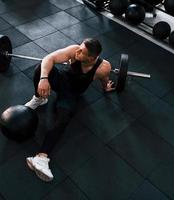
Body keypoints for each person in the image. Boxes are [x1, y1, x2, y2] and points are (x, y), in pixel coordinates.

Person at [25, 38, 115, 182]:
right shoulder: (74, 51)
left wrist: (106, 87)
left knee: (62, 120)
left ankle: (41, 158)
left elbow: (104, 78)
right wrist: (43, 78)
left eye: (81, 52)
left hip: (71, 94)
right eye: (79, 48)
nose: (77, 52)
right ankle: (39, 98)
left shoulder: (103, 67)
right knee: (40, 68)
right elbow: (50, 58)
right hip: (61, 80)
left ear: (91, 58)